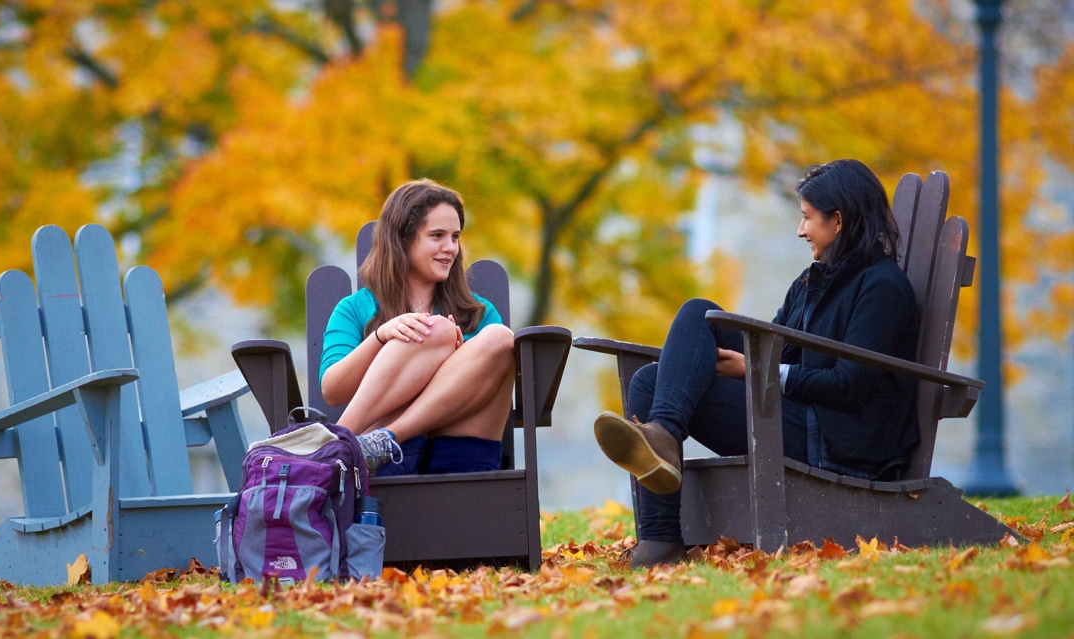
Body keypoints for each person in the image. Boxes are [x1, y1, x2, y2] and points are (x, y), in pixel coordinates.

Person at [594, 159, 921, 567]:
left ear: (837, 221)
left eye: (807, 219)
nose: (801, 231)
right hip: (809, 419)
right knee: (660, 365)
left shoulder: (882, 287)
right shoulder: (814, 281)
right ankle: (661, 531)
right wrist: (751, 362)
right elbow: (779, 347)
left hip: (840, 439)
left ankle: (663, 443)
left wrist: (758, 371)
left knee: (652, 384)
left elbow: (851, 384)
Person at [319, 179, 516, 476]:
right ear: (402, 239)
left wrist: (457, 364)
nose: (450, 248)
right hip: (392, 463)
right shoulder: (355, 309)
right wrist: (381, 337)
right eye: (437, 236)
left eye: (455, 237)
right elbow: (333, 391)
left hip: (460, 451)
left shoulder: (479, 313)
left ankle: (380, 441)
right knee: (437, 331)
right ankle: (338, 445)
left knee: (500, 338)